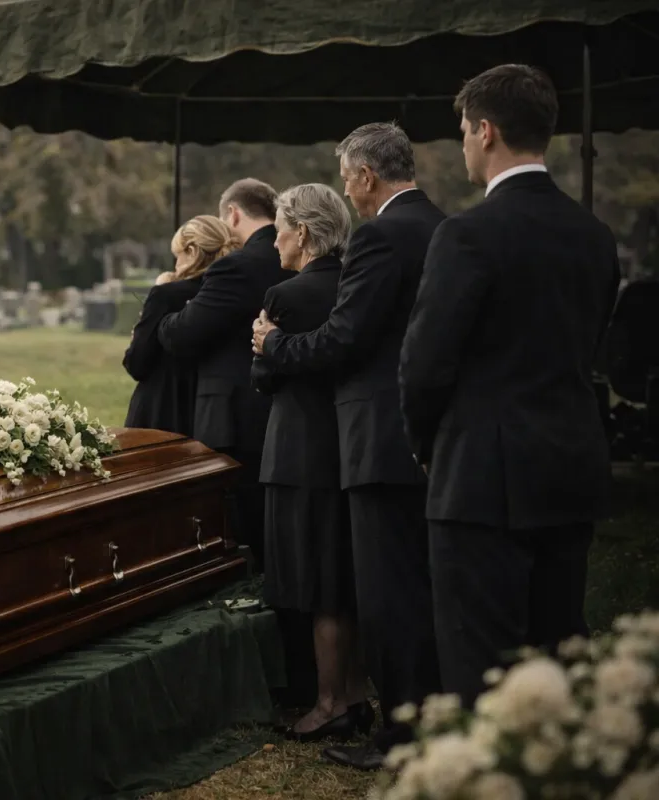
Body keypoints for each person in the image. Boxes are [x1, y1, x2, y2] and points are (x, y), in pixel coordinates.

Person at [400, 64, 621, 709]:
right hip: (570, 466)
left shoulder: (466, 234)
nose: (464, 146)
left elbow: (425, 363)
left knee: (480, 668)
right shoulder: (594, 236)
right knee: (557, 658)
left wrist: (426, 446)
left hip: (481, 482)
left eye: (464, 132)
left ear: (486, 131)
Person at [252, 122, 445, 769]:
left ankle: (401, 737)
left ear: (365, 175)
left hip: (377, 437)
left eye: (346, 179)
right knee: (423, 588)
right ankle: (429, 718)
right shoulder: (444, 227)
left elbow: (345, 337)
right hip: (428, 434)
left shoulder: (380, 236)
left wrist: (273, 345)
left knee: (389, 597)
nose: (348, 193)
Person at [252, 184, 369, 741]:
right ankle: (356, 692)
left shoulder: (286, 295)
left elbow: (262, 376)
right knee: (346, 576)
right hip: (351, 444)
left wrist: (267, 349)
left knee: (317, 584)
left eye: (279, 229)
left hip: (299, 449)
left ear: (301, 232)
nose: (274, 240)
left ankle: (327, 703)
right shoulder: (356, 285)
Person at [158, 179, 290, 559]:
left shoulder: (236, 267)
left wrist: (168, 306)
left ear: (232, 214)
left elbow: (183, 334)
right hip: (285, 409)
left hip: (233, 416)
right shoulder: (296, 258)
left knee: (238, 527)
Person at [124, 215, 241, 436]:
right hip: (209, 412)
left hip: (161, 409)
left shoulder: (166, 295)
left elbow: (137, 363)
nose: (176, 264)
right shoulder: (230, 296)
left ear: (192, 252)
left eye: (177, 255)